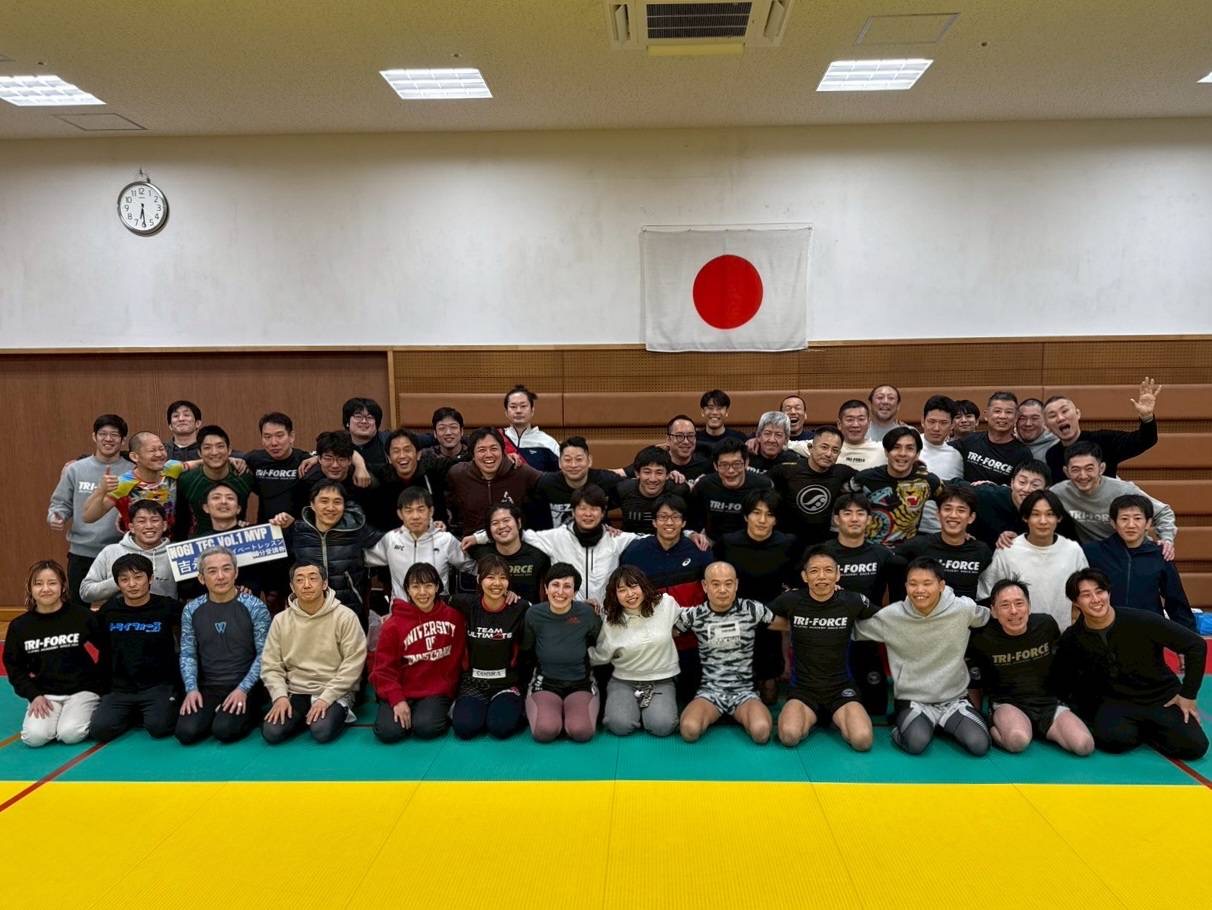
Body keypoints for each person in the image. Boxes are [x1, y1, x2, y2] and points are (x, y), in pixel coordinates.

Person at [1053, 568, 1206, 760]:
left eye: (1100, 591)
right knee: (1113, 741)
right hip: (1117, 701)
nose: (1096, 599)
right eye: (1086, 595)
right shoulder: (1072, 638)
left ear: (1108, 593)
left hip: (1161, 697)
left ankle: (1149, 729)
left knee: (1195, 747)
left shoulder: (1141, 620)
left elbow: (1196, 645)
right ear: (1076, 602)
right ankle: (1143, 729)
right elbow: (1064, 679)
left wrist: (1188, 695)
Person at [853, 557, 992, 756]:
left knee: (979, 746)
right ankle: (908, 726)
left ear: (941, 585)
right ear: (906, 586)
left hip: (954, 700)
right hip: (913, 700)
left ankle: (941, 724)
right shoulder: (891, 616)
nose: (920, 590)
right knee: (916, 744)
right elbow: (852, 630)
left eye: (927, 583)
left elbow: (990, 615)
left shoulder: (963, 609)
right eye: (913, 584)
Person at [966, 580, 1093, 755]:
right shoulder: (982, 636)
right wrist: (978, 715)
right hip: (1008, 704)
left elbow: (1062, 665)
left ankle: (1040, 729)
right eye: (1005, 605)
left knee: (1084, 745)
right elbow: (974, 681)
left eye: (1019, 603)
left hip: (1048, 703)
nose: (1014, 611)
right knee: (1017, 741)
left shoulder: (1046, 625)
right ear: (993, 611)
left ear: (1029, 606)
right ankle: (999, 726)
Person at [769, 548, 879, 750]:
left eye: (828, 570)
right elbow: (762, 619)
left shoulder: (852, 601)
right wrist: (793, 625)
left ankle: (833, 718)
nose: (821, 576)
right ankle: (812, 718)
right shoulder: (791, 600)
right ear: (805, 576)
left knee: (862, 740)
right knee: (789, 736)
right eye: (814, 571)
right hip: (804, 690)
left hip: (841, 689)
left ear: (838, 575)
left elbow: (884, 620)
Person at [470, 485, 647, 608]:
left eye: (594, 509)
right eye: (582, 508)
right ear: (573, 512)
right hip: (568, 616)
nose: (588, 514)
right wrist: (478, 537)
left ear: (602, 513)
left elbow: (651, 539)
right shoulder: (556, 537)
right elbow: (513, 532)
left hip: (608, 617)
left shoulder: (616, 539)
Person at [619, 494, 714, 702]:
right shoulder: (635, 552)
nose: (669, 522)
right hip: (651, 640)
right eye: (662, 517)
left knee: (690, 696)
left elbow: (712, 593)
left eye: (675, 517)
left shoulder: (699, 551)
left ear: (684, 522)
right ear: (654, 522)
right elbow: (626, 594)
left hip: (692, 639)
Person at [260, 561, 368, 745]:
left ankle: (323, 715)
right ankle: (303, 715)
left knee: (321, 731)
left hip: (335, 690)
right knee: (272, 732)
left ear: (324, 583)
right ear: (292, 587)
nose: (306, 585)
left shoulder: (345, 616)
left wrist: (326, 699)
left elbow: (353, 665)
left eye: (313, 578)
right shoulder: (280, 620)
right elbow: (271, 665)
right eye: (299, 580)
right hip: (296, 690)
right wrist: (279, 696)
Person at [175, 547, 271, 744]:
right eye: (212, 571)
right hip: (210, 686)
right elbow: (187, 654)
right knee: (186, 733)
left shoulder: (255, 606)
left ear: (235, 573)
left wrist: (243, 689)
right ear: (201, 578)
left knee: (224, 730)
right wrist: (191, 689)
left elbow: (265, 654)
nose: (220, 576)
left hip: (247, 685)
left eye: (226, 569)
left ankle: (253, 710)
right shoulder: (191, 609)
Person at [820, 492, 903, 714]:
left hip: (868, 636)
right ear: (836, 519)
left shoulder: (882, 555)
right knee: (825, 711)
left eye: (860, 513)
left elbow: (896, 599)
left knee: (875, 708)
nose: (854, 518)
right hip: (829, 636)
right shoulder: (822, 554)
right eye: (847, 513)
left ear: (869, 519)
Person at [4, 560, 103, 747]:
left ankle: (80, 713)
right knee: (34, 738)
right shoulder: (20, 626)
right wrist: (34, 695)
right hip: (45, 692)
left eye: (52, 583)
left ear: (62, 586)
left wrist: (99, 682)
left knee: (70, 734)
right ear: (30, 588)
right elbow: (14, 666)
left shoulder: (82, 616)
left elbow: (108, 648)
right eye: (38, 584)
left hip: (82, 690)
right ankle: (54, 719)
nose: (45, 589)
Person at [713, 489, 799, 703]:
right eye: (756, 513)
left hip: (773, 617)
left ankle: (771, 676)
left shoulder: (788, 543)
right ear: (746, 516)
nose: (762, 520)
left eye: (769, 514)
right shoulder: (727, 542)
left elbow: (797, 583)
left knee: (770, 696)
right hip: (735, 615)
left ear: (776, 519)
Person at [674, 562, 773, 744]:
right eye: (715, 584)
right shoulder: (694, 615)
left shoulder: (753, 609)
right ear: (705, 586)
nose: (722, 590)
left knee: (762, 732)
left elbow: (789, 624)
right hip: (710, 692)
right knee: (689, 730)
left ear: (736, 585)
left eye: (728, 584)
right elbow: (665, 632)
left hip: (744, 692)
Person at [89, 553, 183, 742]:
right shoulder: (109, 611)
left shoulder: (168, 607)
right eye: (124, 579)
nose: (132, 584)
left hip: (158, 686)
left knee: (159, 727)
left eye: (138, 577)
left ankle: (145, 712)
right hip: (121, 689)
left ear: (150, 578)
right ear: (118, 584)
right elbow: (99, 647)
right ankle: (134, 713)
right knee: (100, 730)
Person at [370, 562, 466, 742]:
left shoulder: (454, 617)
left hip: (436, 691)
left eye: (428, 585)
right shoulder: (393, 625)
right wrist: (396, 699)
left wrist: (456, 692)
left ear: (437, 587)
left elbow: (461, 658)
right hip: (401, 689)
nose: (422, 592)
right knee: (388, 732)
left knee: (426, 728)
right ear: (407, 589)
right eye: (415, 586)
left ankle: (428, 713)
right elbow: (382, 670)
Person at [48, 414, 132, 607]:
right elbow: (60, 503)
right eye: (103, 434)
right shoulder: (76, 469)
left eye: (114, 435)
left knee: (121, 607)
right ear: (94, 436)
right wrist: (56, 516)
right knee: (78, 607)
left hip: (121, 550)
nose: (108, 439)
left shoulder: (132, 471)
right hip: (81, 552)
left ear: (123, 440)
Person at [977, 490, 1088, 630]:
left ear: (1059, 518)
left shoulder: (1073, 551)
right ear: (1025, 517)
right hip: (1019, 634)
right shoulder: (1007, 550)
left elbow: (1085, 592)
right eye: (1035, 514)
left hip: (1064, 633)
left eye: (1050, 514)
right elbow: (987, 592)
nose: (1043, 521)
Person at [591, 566, 681, 737]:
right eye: (622, 590)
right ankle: (633, 708)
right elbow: (601, 655)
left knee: (662, 727)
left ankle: (649, 711)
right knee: (619, 725)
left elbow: (686, 621)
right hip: (624, 681)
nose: (629, 594)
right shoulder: (611, 621)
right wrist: (573, 657)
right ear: (615, 595)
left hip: (660, 680)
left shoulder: (666, 604)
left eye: (633, 586)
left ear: (643, 585)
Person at [1081, 494, 1194, 629]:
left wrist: (1188, 637)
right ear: (1113, 523)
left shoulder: (1160, 555)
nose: (1131, 525)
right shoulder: (1093, 552)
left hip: (1149, 630)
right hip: (1103, 629)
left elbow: (1176, 602)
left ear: (1148, 523)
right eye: (1124, 519)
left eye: (1137, 518)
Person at [522, 563, 603, 743]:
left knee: (581, 732)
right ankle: (552, 710)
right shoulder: (533, 614)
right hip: (546, 683)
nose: (560, 591)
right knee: (545, 731)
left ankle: (573, 709)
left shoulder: (587, 614)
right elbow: (527, 650)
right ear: (546, 588)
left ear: (575, 592)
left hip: (580, 682)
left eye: (567, 586)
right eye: (555, 585)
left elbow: (598, 643)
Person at [450, 554, 529, 739]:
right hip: (473, 683)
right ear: (479, 579)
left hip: (507, 684)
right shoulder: (465, 604)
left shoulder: (520, 607)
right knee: (465, 729)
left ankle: (515, 707)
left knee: (500, 728)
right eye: (490, 577)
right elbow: (430, 601)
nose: (497, 583)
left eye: (502, 578)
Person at [286, 480, 385, 625]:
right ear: (312, 504)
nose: (331, 507)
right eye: (324, 501)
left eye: (337, 502)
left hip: (351, 611)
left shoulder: (356, 529)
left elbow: (391, 543)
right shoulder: (298, 530)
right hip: (308, 612)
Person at [1051, 442, 1176, 555]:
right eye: (1075, 470)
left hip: (1133, 552)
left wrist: (1166, 539)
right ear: (1066, 472)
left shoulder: (1123, 490)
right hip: (1096, 555)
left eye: (1089, 469)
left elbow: (1163, 512)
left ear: (1101, 469)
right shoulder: (1059, 492)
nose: (1083, 476)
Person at [1043, 378, 1160, 481]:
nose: (1060, 418)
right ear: (1047, 426)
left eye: (1064, 411)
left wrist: (1147, 417)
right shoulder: (1052, 455)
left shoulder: (1104, 440)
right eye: (1052, 415)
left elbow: (1145, 440)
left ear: (1078, 414)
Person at [364, 486, 470, 599]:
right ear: (400, 514)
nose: (415, 516)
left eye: (421, 509)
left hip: (436, 607)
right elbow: (361, 559)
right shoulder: (391, 539)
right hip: (401, 608)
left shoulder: (446, 540)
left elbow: (473, 566)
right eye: (408, 510)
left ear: (431, 511)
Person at [847, 427, 942, 547]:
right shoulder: (865, 478)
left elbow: (950, 500)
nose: (902, 453)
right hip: (868, 550)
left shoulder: (927, 481)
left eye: (910, 448)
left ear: (917, 454)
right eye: (896, 447)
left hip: (907, 551)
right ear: (886, 452)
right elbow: (841, 501)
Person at [897, 486, 992, 599]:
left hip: (965, 610)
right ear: (938, 514)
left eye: (961, 510)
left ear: (971, 517)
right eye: (947, 509)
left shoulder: (981, 551)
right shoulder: (918, 546)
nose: (953, 515)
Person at [81, 431, 187, 532]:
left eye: (161, 449)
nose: (159, 454)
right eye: (152, 450)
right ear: (135, 457)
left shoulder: (171, 468)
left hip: (172, 541)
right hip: (138, 542)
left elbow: (195, 464)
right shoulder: (123, 483)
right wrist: (101, 490)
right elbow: (88, 517)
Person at [445, 427, 542, 536]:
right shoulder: (458, 474)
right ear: (473, 455)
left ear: (503, 451)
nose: (489, 455)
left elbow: (550, 483)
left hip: (513, 540)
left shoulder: (520, 472)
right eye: (482, 450)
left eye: (494, 449)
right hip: (472, 542)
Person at [79, 500, 177, 605]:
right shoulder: (111, 551)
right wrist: (122, 579)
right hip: (118, 613)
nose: (149, 526)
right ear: (131, 527)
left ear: (164, 525)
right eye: (141, 521)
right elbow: (86, 592)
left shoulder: (177, 553)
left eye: (154, 520)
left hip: (165, 613)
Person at [771, 426, 854, 547]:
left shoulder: (841, 472)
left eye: (835, 450)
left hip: (823, 545)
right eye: (824, 447)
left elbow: (868, 478)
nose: (829, 454)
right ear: (811, 448)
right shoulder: (787, 470)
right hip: (788, 543)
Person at [174, 425, 254, 539]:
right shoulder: (186, 480)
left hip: (239, 540)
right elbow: (181, 521)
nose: (214, 452)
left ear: (229, 450)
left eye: (220, 446)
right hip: (201, 543)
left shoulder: (244, 475)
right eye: (207, 447)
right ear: (199, 453)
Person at [688, 438, 774, 541]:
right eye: (724, 465)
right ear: (715, 466)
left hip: (751, 542)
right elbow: (692, 521)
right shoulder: (704, 485)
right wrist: (693, 535)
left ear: (746, 463)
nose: (731, 471)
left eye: (737, 464)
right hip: (713, 542)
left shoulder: (762, 485)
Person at [465, 502, 551, 603]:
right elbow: (460, 546)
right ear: (488, 530)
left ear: (519, 523)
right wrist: (477, 538)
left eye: (506, 520)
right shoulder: (481, 552)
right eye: (495, 523)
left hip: (529, 610)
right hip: (490, 610)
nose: (501, 526)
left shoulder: (538, 554)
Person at [370, 428, 453, 531]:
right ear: (389, 458)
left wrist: (441, 524)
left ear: (418, 454)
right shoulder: (381, 478)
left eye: (407, 450)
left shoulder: (432, 474)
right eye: (396, 451)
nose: (402, 456)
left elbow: (440, 515)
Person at [534, 436, 621, 528]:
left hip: (598, 535)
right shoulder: (546, 484)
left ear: (589, 461)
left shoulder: (606, 480)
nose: (573, 465)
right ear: (559, 462)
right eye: (567, 460)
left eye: (579, 459)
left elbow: (631, 489)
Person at [949, 391, 1031, 484]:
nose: (1002, 416)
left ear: (1016, 417)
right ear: (986, 415)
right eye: (997, 411)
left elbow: (1022, 486)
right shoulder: (970, 440)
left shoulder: (1023, 453)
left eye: (1008, 412)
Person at [244, 412, 309, 523]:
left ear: (291, 436)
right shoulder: (255, 459)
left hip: (297, 529)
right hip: (267, 529)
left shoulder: (304, 460)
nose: (273, 443)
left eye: (279, 436)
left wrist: (317, 458)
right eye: (267, 437)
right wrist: (234, 460)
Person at [615, 446, 688, 533]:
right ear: (637, 473)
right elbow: (602, 510)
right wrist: (608, 528)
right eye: (647, 472)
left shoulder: (679, 490)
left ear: (667, 475)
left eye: (659, 473)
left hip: (667, 539)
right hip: (631, 539)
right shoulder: (623, 489)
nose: (652, 479)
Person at [501, 384, 560, 472]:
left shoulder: (548, 442)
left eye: (523, 406)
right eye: (513, 407)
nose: (518, 411)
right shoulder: (497, 439)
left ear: (532, 410)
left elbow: (560, 475)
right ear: (506, 412)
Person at [343, 396, 398, 473]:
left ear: (376, 423)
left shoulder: (390, 440)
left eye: (370, 417)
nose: (364, 421)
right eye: (358, 416)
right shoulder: (338, 443)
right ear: (347, 422)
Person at [696, 389, 749, 459]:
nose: (715, 412)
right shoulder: (694, 438)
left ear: (726, 412)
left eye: (719, 408)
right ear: (702, 412)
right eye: (710, 408)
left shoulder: (739, 438)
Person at [836, 400, 886, 470]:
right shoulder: (828, 450)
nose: (855, 425)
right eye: (850, 420)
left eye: (861, 419)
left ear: (869, 423)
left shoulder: (883, 451)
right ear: (839, 424)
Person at [663, 414, 713, 481]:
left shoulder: (707, 466)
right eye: (679, 436)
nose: (686, 441)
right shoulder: (659, 466)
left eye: (690, 436)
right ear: (668, 440)